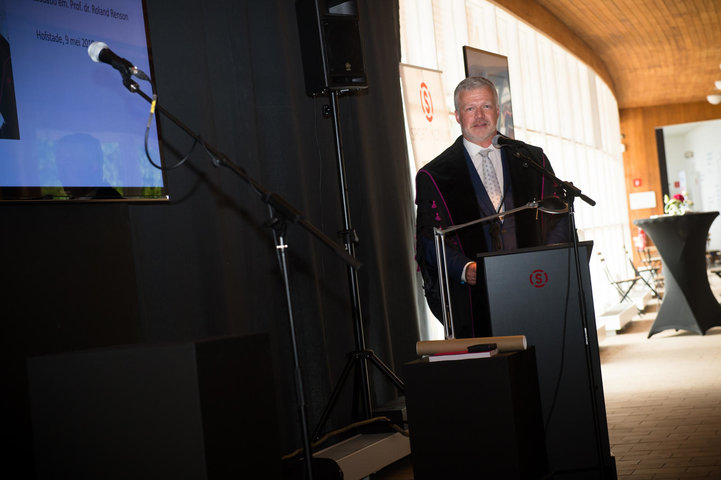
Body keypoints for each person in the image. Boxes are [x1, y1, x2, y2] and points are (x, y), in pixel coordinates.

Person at [415, 76, 568, 338]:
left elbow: (558, 218)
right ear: (457, 116)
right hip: (475, 298)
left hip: (534, 285)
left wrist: (548, 260)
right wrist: (464, 268)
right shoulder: (436, 175)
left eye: (486, 106)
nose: (479, 116)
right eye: (470, 108)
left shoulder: (531, 159)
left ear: (498, 111)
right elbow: (429, 239)